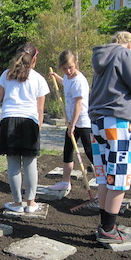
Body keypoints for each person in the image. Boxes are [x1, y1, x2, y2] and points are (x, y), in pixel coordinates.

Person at [89, 31, 131, 243]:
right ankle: (108, 231)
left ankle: (105, 226)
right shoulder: (125, 54)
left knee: (104, 177)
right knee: (118, 178)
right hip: (117, 123)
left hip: (98, 123)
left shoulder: (101, 59)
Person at [0, 43, 50, 213]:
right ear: (34, 59)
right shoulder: (39, 78)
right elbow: (40, 110)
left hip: (9, 121)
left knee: (13, 164)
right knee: (30, 163)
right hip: (29, 122)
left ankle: (17, 203)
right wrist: (37, 129)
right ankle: (30, 203)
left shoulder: (6, 75)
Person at [48, 50, 93, 191]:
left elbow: (79, 105)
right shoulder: (68, 77)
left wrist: (73, 125)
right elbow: (66, 83)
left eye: (70, 67)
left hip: (83, 122)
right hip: (71, 122)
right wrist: (56, 77)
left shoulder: (79, 80)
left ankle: (104, 181)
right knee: (67, 151)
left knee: (90, 151)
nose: (68, 71)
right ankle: (65, 182)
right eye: (64, 68)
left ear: (76, 64)